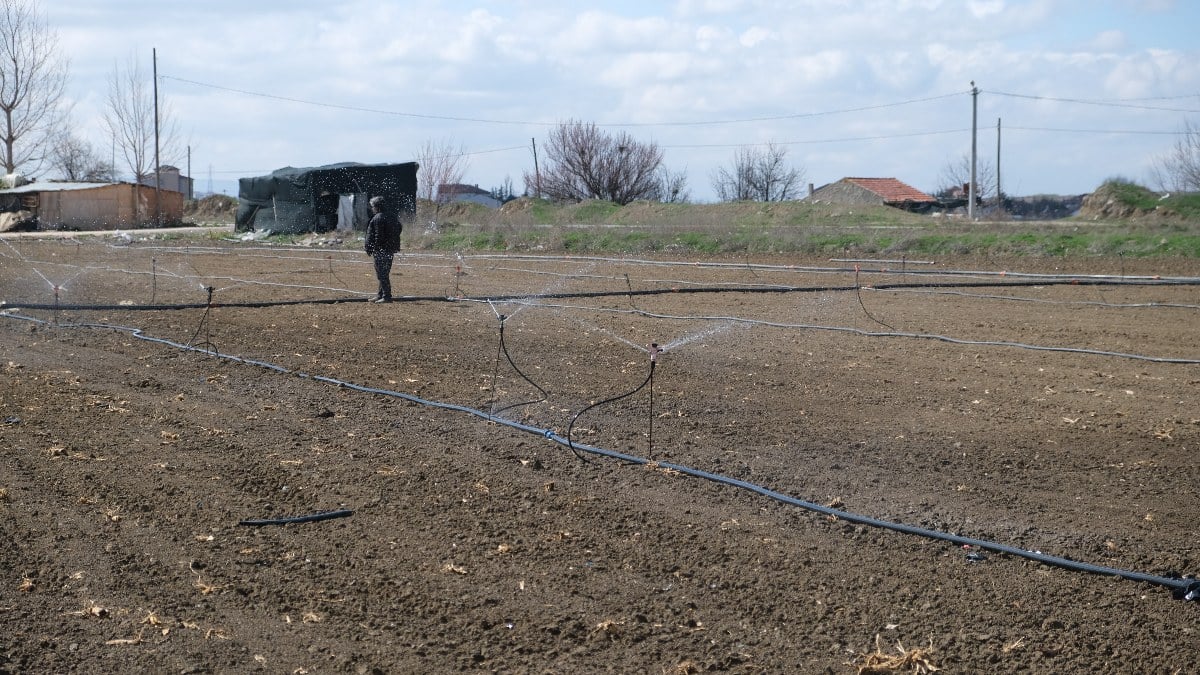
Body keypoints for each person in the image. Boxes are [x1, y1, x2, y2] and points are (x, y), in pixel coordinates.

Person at [364, 195, 402, 303]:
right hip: (390, 249)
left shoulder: (378, 218)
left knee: (382, 274)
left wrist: (374, 248)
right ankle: (380, 295)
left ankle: (386, 296)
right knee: (384, 273)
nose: (372, 209)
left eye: (373, 207)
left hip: (381, 250)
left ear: (377, 207)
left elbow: (378, 236)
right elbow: (399, 228)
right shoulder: (392, 216)